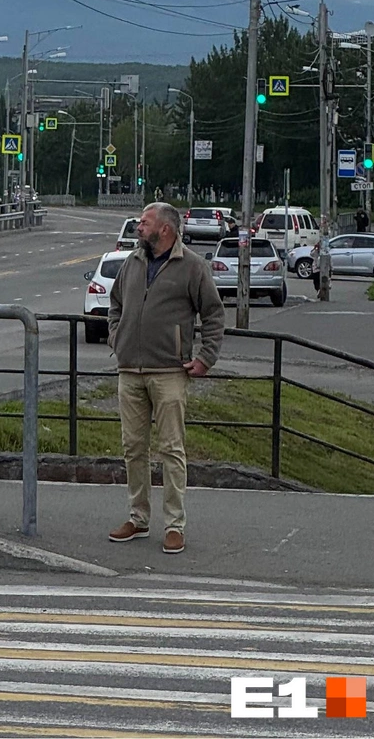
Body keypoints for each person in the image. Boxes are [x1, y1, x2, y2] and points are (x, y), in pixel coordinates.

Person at [107, 201, 225, 554]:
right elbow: (114, 304)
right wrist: (117, 336)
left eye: (145, 222)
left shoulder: (192, 266)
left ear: (166, 230)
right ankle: (138, 517)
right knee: (133, 448)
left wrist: (205, 358)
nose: (138, 228)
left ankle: (175, 525)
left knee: (171, 450)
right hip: (130, 370)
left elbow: (214, 314)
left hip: (169, 372)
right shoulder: (133, 262)